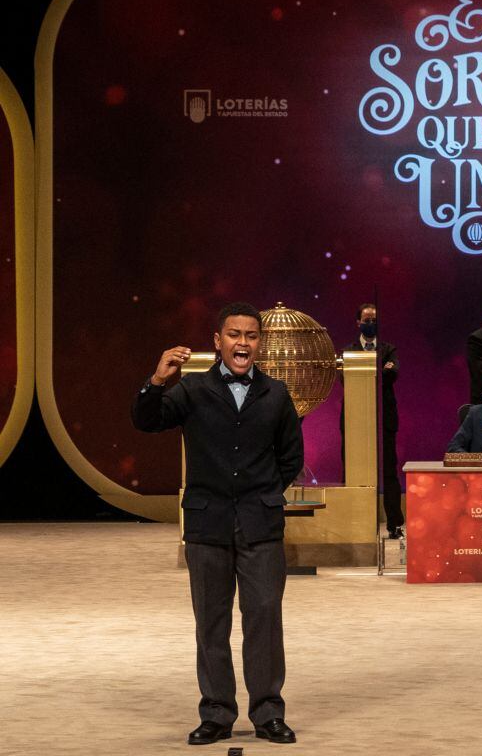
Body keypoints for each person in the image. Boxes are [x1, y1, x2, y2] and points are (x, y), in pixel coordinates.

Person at [132, 302, 303, 746]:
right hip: (207, 525)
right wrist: (157, 378)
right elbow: (146, 420)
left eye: (250, 336)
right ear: (217, 341)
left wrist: (261, 494)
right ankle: (217, 713)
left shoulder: (277, 394)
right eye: (234, 334)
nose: (242, 343)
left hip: (260, 525)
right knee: (211, 621)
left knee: (264, 617)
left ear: (259, 343)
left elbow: (290, 458)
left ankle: (267, 712)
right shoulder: (191, 390)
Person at [343, 302, 404, 539]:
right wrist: (381, 369)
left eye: (374, 320)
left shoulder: (389, 349)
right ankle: (355, 527)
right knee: (354, 472)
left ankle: (394, 523)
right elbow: (345, 380)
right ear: (358, 322)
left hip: (385, 420)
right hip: (356, 421)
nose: (371, 324)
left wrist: (385, 370)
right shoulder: (349, 351)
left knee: (389, 472)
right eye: (366, 320)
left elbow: (393, 373)